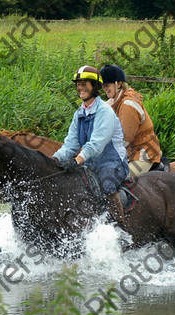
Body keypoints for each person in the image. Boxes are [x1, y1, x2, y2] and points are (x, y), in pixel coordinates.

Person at [52, 65, 129, 225]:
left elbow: (96, 145)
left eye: (84, 84)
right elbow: (70, 145)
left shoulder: (105, 112)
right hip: (90, 164)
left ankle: (120, 227)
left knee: (107, 186)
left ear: (95, 87)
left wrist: (77, 161)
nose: (80, 88)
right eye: (78, 84)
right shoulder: (79, 114)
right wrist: (53, 161)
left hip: (113, 163)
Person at [100, 64, 164, 176]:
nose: (104, 88)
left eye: (107, 85)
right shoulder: (115, 101)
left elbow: (126, 137)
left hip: (143, 154)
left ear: (118, 84)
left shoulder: (127, 105)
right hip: (130, 153)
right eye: (103, 85)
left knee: (116, 179)